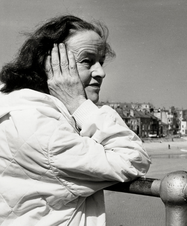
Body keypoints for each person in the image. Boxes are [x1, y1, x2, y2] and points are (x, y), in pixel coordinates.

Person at [0, 15, 151, 226]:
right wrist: (79, 104)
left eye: (101, 62)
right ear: (49, 64)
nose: (101, 72)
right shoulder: (41, 127)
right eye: (87, 61)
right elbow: (133, 159)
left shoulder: (18, 107)